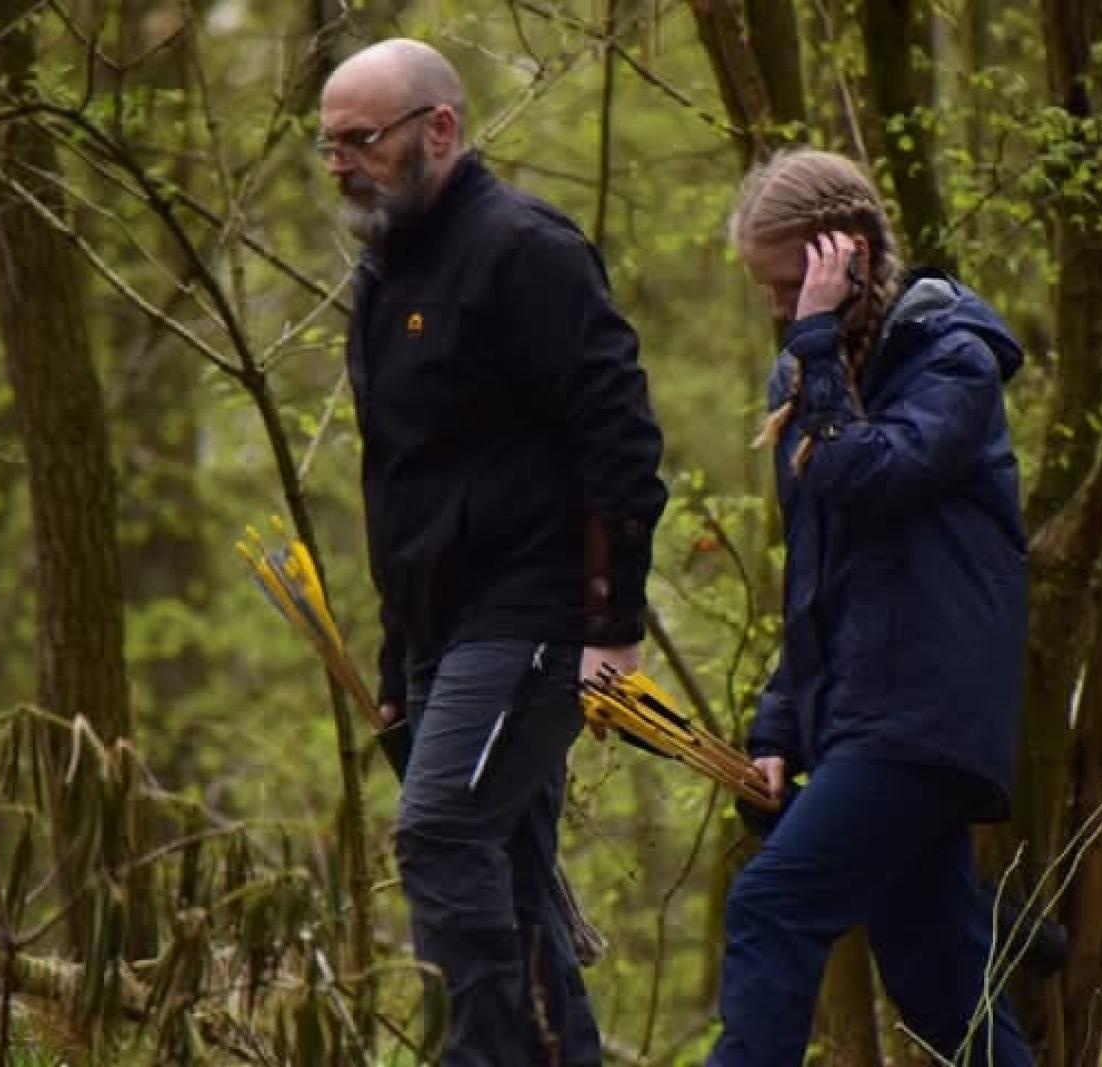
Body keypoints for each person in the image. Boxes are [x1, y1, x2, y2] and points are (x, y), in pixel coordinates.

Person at [319, 39, 667, 1067]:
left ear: (440, 128)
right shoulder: (386, 276)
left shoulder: (525, 250)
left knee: (441, 834)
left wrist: (615, 623)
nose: (341, 163)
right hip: (442, 629)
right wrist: (395, 664)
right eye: (328, 144)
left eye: (361, 140)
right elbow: (400, 486)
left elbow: (620, 441)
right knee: (509, 871)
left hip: (534, 612)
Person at [710, 148, 1035, 1066]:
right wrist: (779, 723)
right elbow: (816, 572)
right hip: (862, 715)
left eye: (788, 285)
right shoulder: (805, 386)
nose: (778, 309)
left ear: (840, 259)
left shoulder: (953, 362)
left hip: (925, 715)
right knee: (940, 981)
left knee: (772, 902)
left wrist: (813, 350)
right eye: (768, 290)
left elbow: (872, 478)